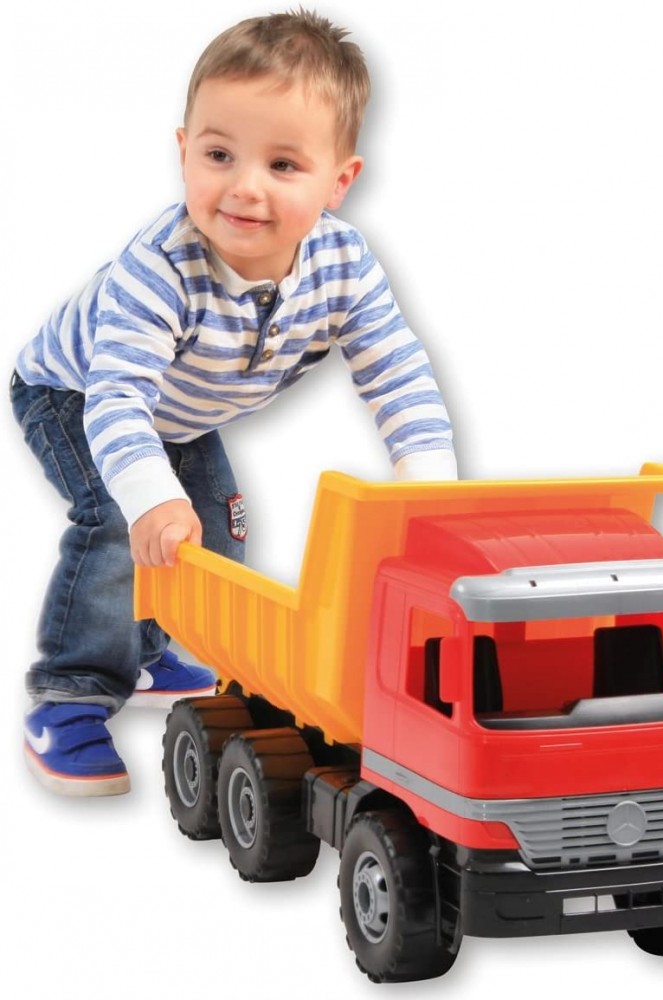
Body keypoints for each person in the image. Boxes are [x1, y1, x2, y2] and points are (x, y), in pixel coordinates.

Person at [12, 10, 457, 797]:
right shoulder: (161, 269)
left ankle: (150, 649)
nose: (245, 187)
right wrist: (151, 496)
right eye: (220, 155)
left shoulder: (344, 265)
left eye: (283, 164)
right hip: (76, 394)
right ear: (184, 150)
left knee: (215, 532)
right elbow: (117, 398)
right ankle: (71, 694)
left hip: (181, 414)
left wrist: (429, 487)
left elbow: (397, 371)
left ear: (339, 181)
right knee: (121, 524)